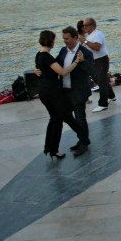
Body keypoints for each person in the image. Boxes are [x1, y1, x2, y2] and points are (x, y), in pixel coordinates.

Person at [36, 30, 84, 159]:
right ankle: (53, 149)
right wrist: (76, 61)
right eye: (54, 39)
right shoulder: (46, 57)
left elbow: (42, 70)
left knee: (56, 119)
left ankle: (50, 148)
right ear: (50, 41)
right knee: (57, 121)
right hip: (52, 93)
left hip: (44, 92)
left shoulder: (39, 55)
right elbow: (62, 72)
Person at [56, 26, 96, 157]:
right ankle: (83, 138)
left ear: (74, 37)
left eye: (67, 38)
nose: (65, 41)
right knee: (67, 117)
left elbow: (91, 71)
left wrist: (83, 61)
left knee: (80, 118)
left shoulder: (85, 52)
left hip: (78, 91)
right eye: (63, 38)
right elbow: (55, 65)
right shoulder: (63, 51)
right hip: (65, 91)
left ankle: (83, 143)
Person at [80, 18, 116, 112]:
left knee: (102, 81)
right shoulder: (87, 35)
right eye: (83, 25)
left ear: (92, 25)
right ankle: (111, 96)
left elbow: (97, 47)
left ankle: (103, 104)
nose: (84, 27)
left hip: (101, 60)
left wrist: (85, 41)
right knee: (101, 80)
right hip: (93, 61)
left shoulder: (98, 34)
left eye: (86, 25)